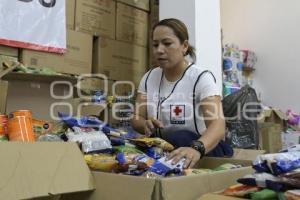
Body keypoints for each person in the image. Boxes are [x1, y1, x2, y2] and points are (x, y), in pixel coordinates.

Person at [131, 18, 225, 168]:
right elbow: (137, 117)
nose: (159, 50)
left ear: (184, 46)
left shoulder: (201, 78)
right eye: (155, 45)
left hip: (202, 148)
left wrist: (196, 148)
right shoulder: (149, 77)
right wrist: (145, 124)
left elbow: (218, 125)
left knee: (180, 136)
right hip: (166, 146)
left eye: (167, 43)